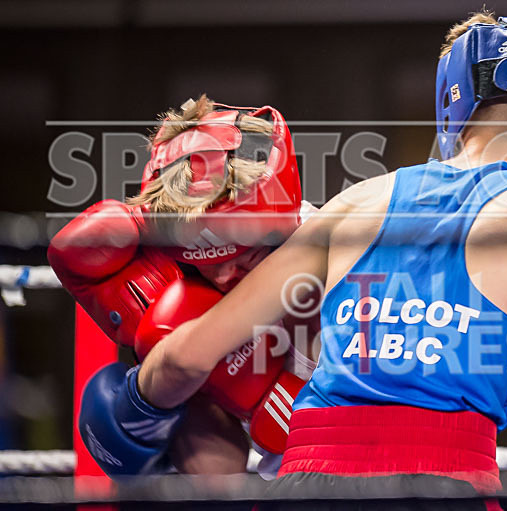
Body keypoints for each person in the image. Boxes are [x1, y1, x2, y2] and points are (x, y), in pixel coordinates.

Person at [119, 14, 507, 509]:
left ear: (452, 101)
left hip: (304, 485)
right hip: (446, 482)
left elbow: (187, 358)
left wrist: (133, 412)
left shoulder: (356, 201)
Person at [48, 96, 317, 478]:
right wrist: (163, 401)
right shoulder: (184, 295)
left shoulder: (337, 259)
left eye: (244, 254)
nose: (223, 276)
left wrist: (144, 395)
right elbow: (217, 479)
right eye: (206, 260)